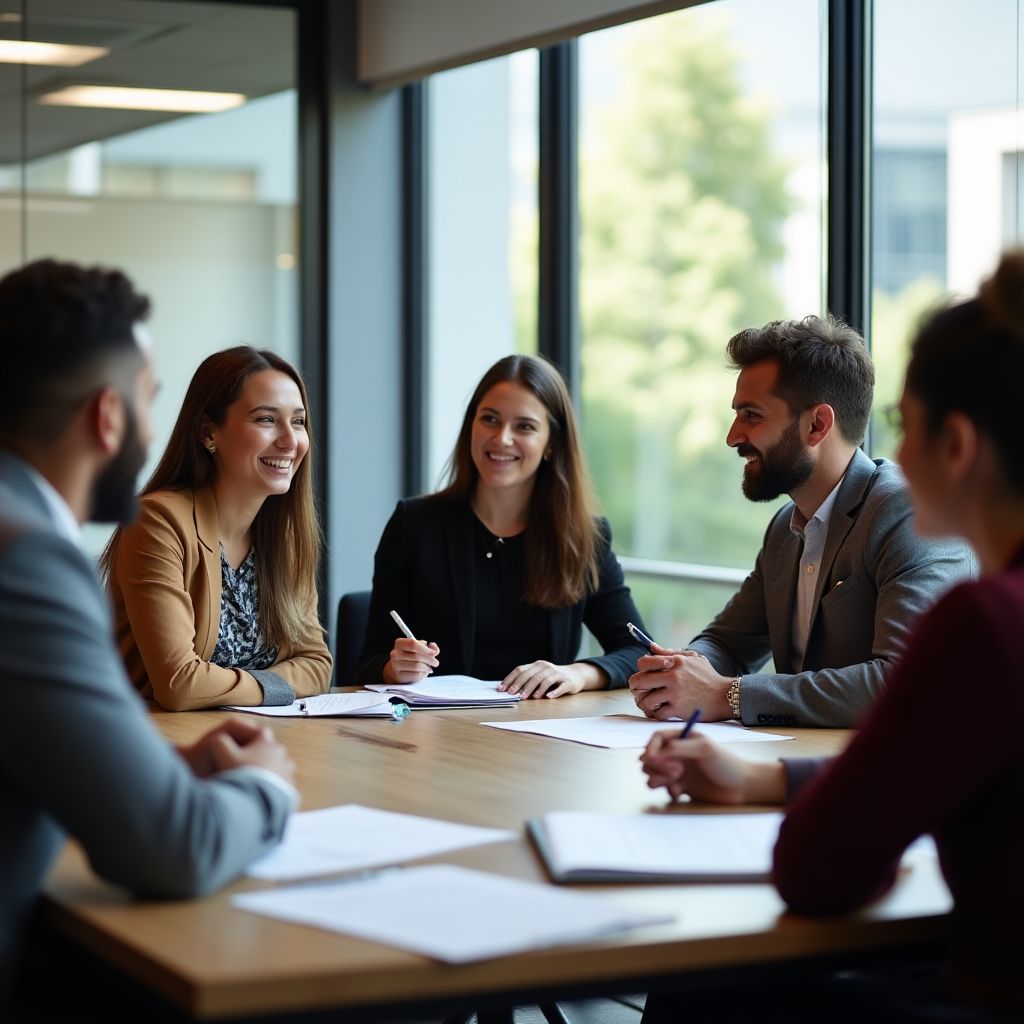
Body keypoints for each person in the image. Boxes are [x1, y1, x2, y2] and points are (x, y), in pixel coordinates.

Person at [640, 253, 1024, 1019]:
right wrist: (762, 775)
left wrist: (734, 697)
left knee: (704, 991)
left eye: (906, 429)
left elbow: (817, 867)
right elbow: (930, 762)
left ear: (958, 444)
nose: (897, 457)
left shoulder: (986, 619)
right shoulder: (789, 529)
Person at [0, 259, 296, 998]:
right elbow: (176, 849)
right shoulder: (27, 560)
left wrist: (157, 773)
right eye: (147, 401)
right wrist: (264, 789)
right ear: (107, 416)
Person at [629, 315, 972, 727]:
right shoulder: (784, 528)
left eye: (752, 415)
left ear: (817, 424)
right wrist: (682, 671)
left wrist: (727, 695)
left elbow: (903, 680)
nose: (733, 436)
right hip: (790, 763)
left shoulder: (905, 512)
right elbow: (727, 642)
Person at [356, 354, 648, 697]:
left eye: (524, 426)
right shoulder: (414, 525)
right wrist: (394, 668)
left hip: (539, 736)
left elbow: (639, 651)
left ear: (551, 444)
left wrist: (578, 674)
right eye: (490, 419)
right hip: (437, 733)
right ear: (471, 427)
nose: (502, 438)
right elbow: (367, 661)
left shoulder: (584, 538)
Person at [103, 346, 332, 711]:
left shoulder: (284, 536)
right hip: (162, 743)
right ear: (209, 432)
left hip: (262, 737)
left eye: (299, 421)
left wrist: (222, 685)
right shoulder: (156, 522)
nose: (291, 441)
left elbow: (317, 665)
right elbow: (180, 684)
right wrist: (279, 685)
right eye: (266, 420)